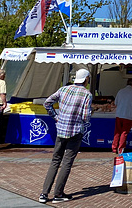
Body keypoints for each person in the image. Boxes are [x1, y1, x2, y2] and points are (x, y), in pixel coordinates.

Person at [38, 69, 92, 204]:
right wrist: (84, 120)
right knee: (67, 162)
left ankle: (44, 193)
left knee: (55, 160)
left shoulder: (63, 89)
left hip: (61, 129)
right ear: (86, 79)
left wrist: (56, 117)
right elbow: (86, 117)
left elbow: (47, 103)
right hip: (75, 131)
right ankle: (58, 193)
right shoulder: (87, 94)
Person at [112, 78, 132, 154]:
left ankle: (114, 148)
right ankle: (121, 148)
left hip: (119, 115)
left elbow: (115, 103)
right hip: (128, 115)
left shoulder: (120, 91)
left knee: (117, 131)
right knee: (124, 132)